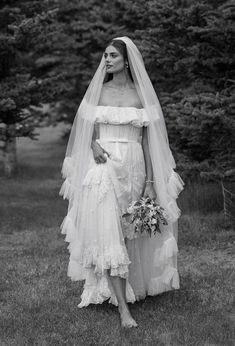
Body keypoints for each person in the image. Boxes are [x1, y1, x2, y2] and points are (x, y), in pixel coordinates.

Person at [60, 36, 184, 328]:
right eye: (105, 55)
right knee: (108, 231)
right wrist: (93, 145)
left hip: (135, 167)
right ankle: (124, 312)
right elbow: (84, 128)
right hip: (103, 166)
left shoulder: (141, 96)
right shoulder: (98, 92)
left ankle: (122, 287)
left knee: (128, 230)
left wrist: (151, 180)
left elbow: (146, 143)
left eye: (113, 55)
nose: (107, 60)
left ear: (127, 61)